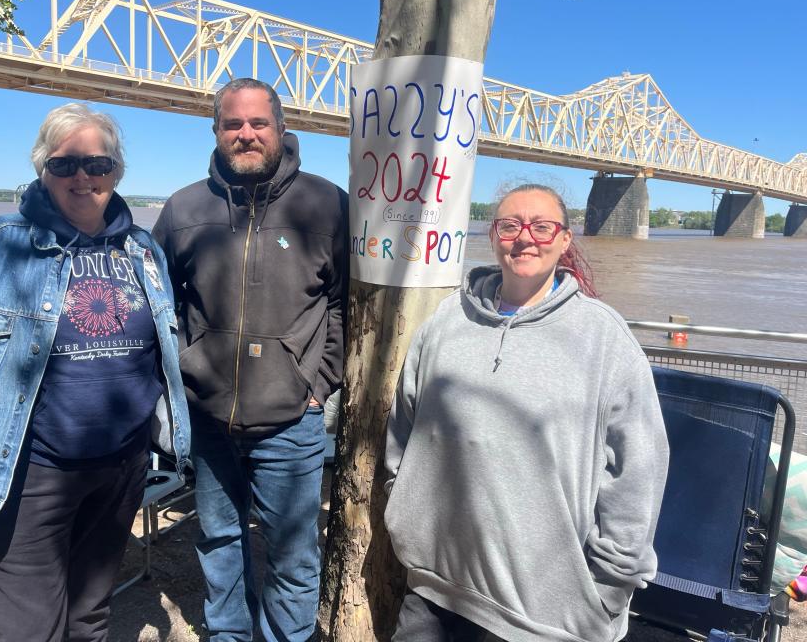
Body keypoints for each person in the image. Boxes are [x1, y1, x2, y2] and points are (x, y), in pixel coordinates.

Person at [0, 103, 190, 642]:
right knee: (28, 628)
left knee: (90, 617)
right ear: (43, 170)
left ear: (116, 171)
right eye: (65, 165)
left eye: (97, 165)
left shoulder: (143, 250)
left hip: (120, 465)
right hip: (25, 473)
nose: (82, 177)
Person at [384, 183, 669, 642]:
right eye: (511, 225)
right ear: (494, 235)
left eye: (542, 226)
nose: (525, 238)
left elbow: (638, 470)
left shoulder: (604, 339)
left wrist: (608, 586)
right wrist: (406, 509)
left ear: (564, 240)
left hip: (541, 615)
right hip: (433, 592)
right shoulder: (446, 321)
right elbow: (405, 425)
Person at [153, 77, 348, 641]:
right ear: (216, 131)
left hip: (293, 418)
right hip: (208, 418)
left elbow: (341, 304)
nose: (246, 134)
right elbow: (159, 302)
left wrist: (318, 382)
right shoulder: (185, 207)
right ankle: (229, 636)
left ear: (282, 130)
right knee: (218, 541)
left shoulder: (326, 203)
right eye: (233, 124)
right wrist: (182, 380)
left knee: (292, 552)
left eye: (258, 123)